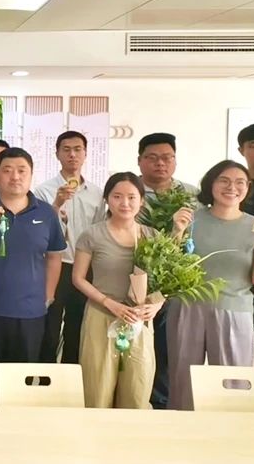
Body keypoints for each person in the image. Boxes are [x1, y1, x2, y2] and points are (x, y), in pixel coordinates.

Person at [0, 148, 66, 405]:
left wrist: (48, 297)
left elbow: (54, 256)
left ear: (31, 174)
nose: (15, 176)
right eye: (7, 170)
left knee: (21, 385)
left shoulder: (46, 213)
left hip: (30, 313)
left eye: (21, 171)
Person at [165, 161, 254, 410]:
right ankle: (181, 427)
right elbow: (168, 267)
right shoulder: (190, 218)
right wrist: (176, 231)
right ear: (211, 184)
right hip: (186, 307)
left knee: (233, 382)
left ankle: (231, 430)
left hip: (234, 310)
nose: (232, 187)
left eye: (240, 182)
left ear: (248, 187)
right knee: (183, 379)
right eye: (224, 180)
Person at [73, 172, 161, 409]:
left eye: (132, 197)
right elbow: (78, 279)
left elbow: (164, 281)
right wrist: (109, 303)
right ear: (107, 199)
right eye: (117, 196)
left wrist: (157, 304)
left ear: (141, 200)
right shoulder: (92, 234)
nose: (125, 203)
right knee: (97, 389)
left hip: (139, 319)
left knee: (137, 389)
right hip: (101, 316)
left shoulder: (152, 237)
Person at [136, 132, 197, 410]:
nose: (160, 163)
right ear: (140, 161)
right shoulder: (129, 190)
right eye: (152, 157)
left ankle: (164, 402)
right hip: (137, 279)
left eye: (167, 157)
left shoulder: (191, 195)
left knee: (171, 345)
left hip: (177, 282)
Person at [34, 131, 104, 364]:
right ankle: (44, 376)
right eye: (66, 149)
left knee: (77, 327)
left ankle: (70, 376)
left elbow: (99, 232)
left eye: (77, 149)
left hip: (85, 268)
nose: (72, 154)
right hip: (54, 266)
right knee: (49, 327)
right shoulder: (43, 191)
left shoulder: (97, 194)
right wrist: (57, 204)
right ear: (57, 154)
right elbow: (39, 230)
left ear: (85, 154)